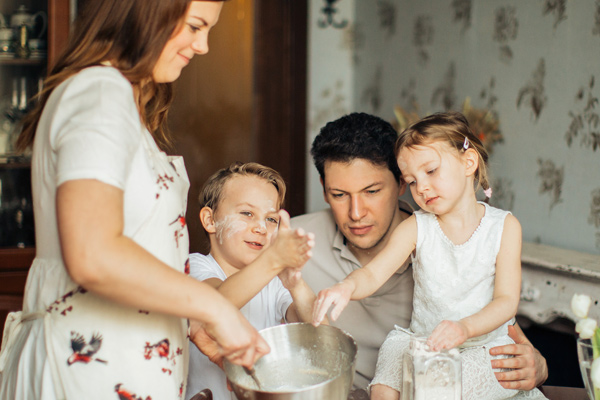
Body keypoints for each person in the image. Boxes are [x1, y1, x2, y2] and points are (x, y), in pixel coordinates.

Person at [0, 2, 275, 399]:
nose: (203, 47)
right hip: (86, 368)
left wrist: (188, 321)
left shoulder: (123, 100)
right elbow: (92, 254)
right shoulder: (100, 92)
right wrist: (213, 308)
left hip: (123, 361)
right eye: (195, 26)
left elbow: (143, 248)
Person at [290, 112, 548, 392]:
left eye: (372, 191)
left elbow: (503, 307)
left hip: (470, 347)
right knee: (391, 370)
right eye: (339, 194)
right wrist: (344, 287)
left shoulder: (502, 227)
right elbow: (371, 274)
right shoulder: (416, 229)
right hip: (416, 344)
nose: (356, 213)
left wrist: (538, 364)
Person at [185, 162, 318, 400]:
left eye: (271, 219)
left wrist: (295, 284)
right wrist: (274, 260)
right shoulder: (195, 266)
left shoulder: (275, 283)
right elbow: (215, 305)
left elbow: (321, 333)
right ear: (210, 220)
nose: (261, 228)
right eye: (247, 214)